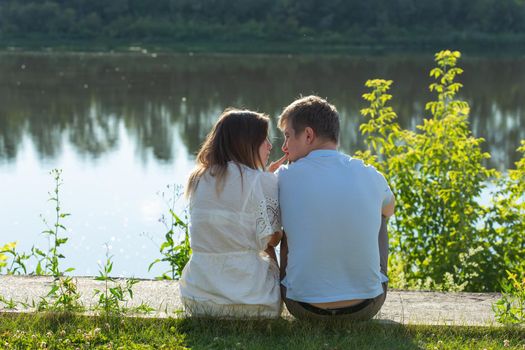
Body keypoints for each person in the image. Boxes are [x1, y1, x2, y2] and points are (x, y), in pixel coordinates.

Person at [275, 95, 395, 320]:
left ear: (308, 135)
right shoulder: (370, 173)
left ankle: (305, 285)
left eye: (288, 136)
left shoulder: (283, 177)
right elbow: (390, 209)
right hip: (366, 307)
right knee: (380, 215)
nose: (284, 147)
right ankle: (362, 284)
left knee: (288, 223)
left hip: (302, 306)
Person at [180, 108, 283, 318]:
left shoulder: (197, 178)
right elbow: (271, 240)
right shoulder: (261, 180)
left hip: (197, 299)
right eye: (264, 139)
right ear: (247, 143)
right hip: (254, 303)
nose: (270, 146)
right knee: (273, 239)